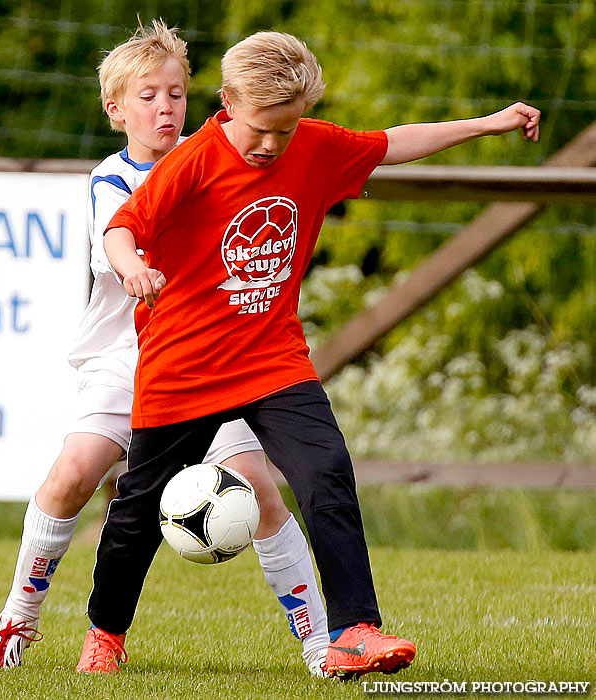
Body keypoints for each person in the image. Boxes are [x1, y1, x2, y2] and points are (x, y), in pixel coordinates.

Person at [78, 30, 541, 680]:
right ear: (229, 101)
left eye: (285, 131)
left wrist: (489, 123)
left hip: (271, 361)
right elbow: (125, 225)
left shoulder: (315, 145)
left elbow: (393, 141)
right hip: (182, 367)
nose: (271, 145)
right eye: (260, 130)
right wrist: (131, 270)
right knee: (134, 514)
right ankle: (105, 633)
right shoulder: (193, 162)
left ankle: (354, 630)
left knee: (326, 474)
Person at [0, 21, 329, 678]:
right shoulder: (111, 177)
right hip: (125, 357)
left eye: (175, 94)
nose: (165, 107)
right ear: (115, 109)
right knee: (73, 474)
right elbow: (125, 240)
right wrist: (138, 265)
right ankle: (19, 612)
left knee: (258, 488)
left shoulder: (221, 152)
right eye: (148, 95)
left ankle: (319, 642)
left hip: (206, 359)